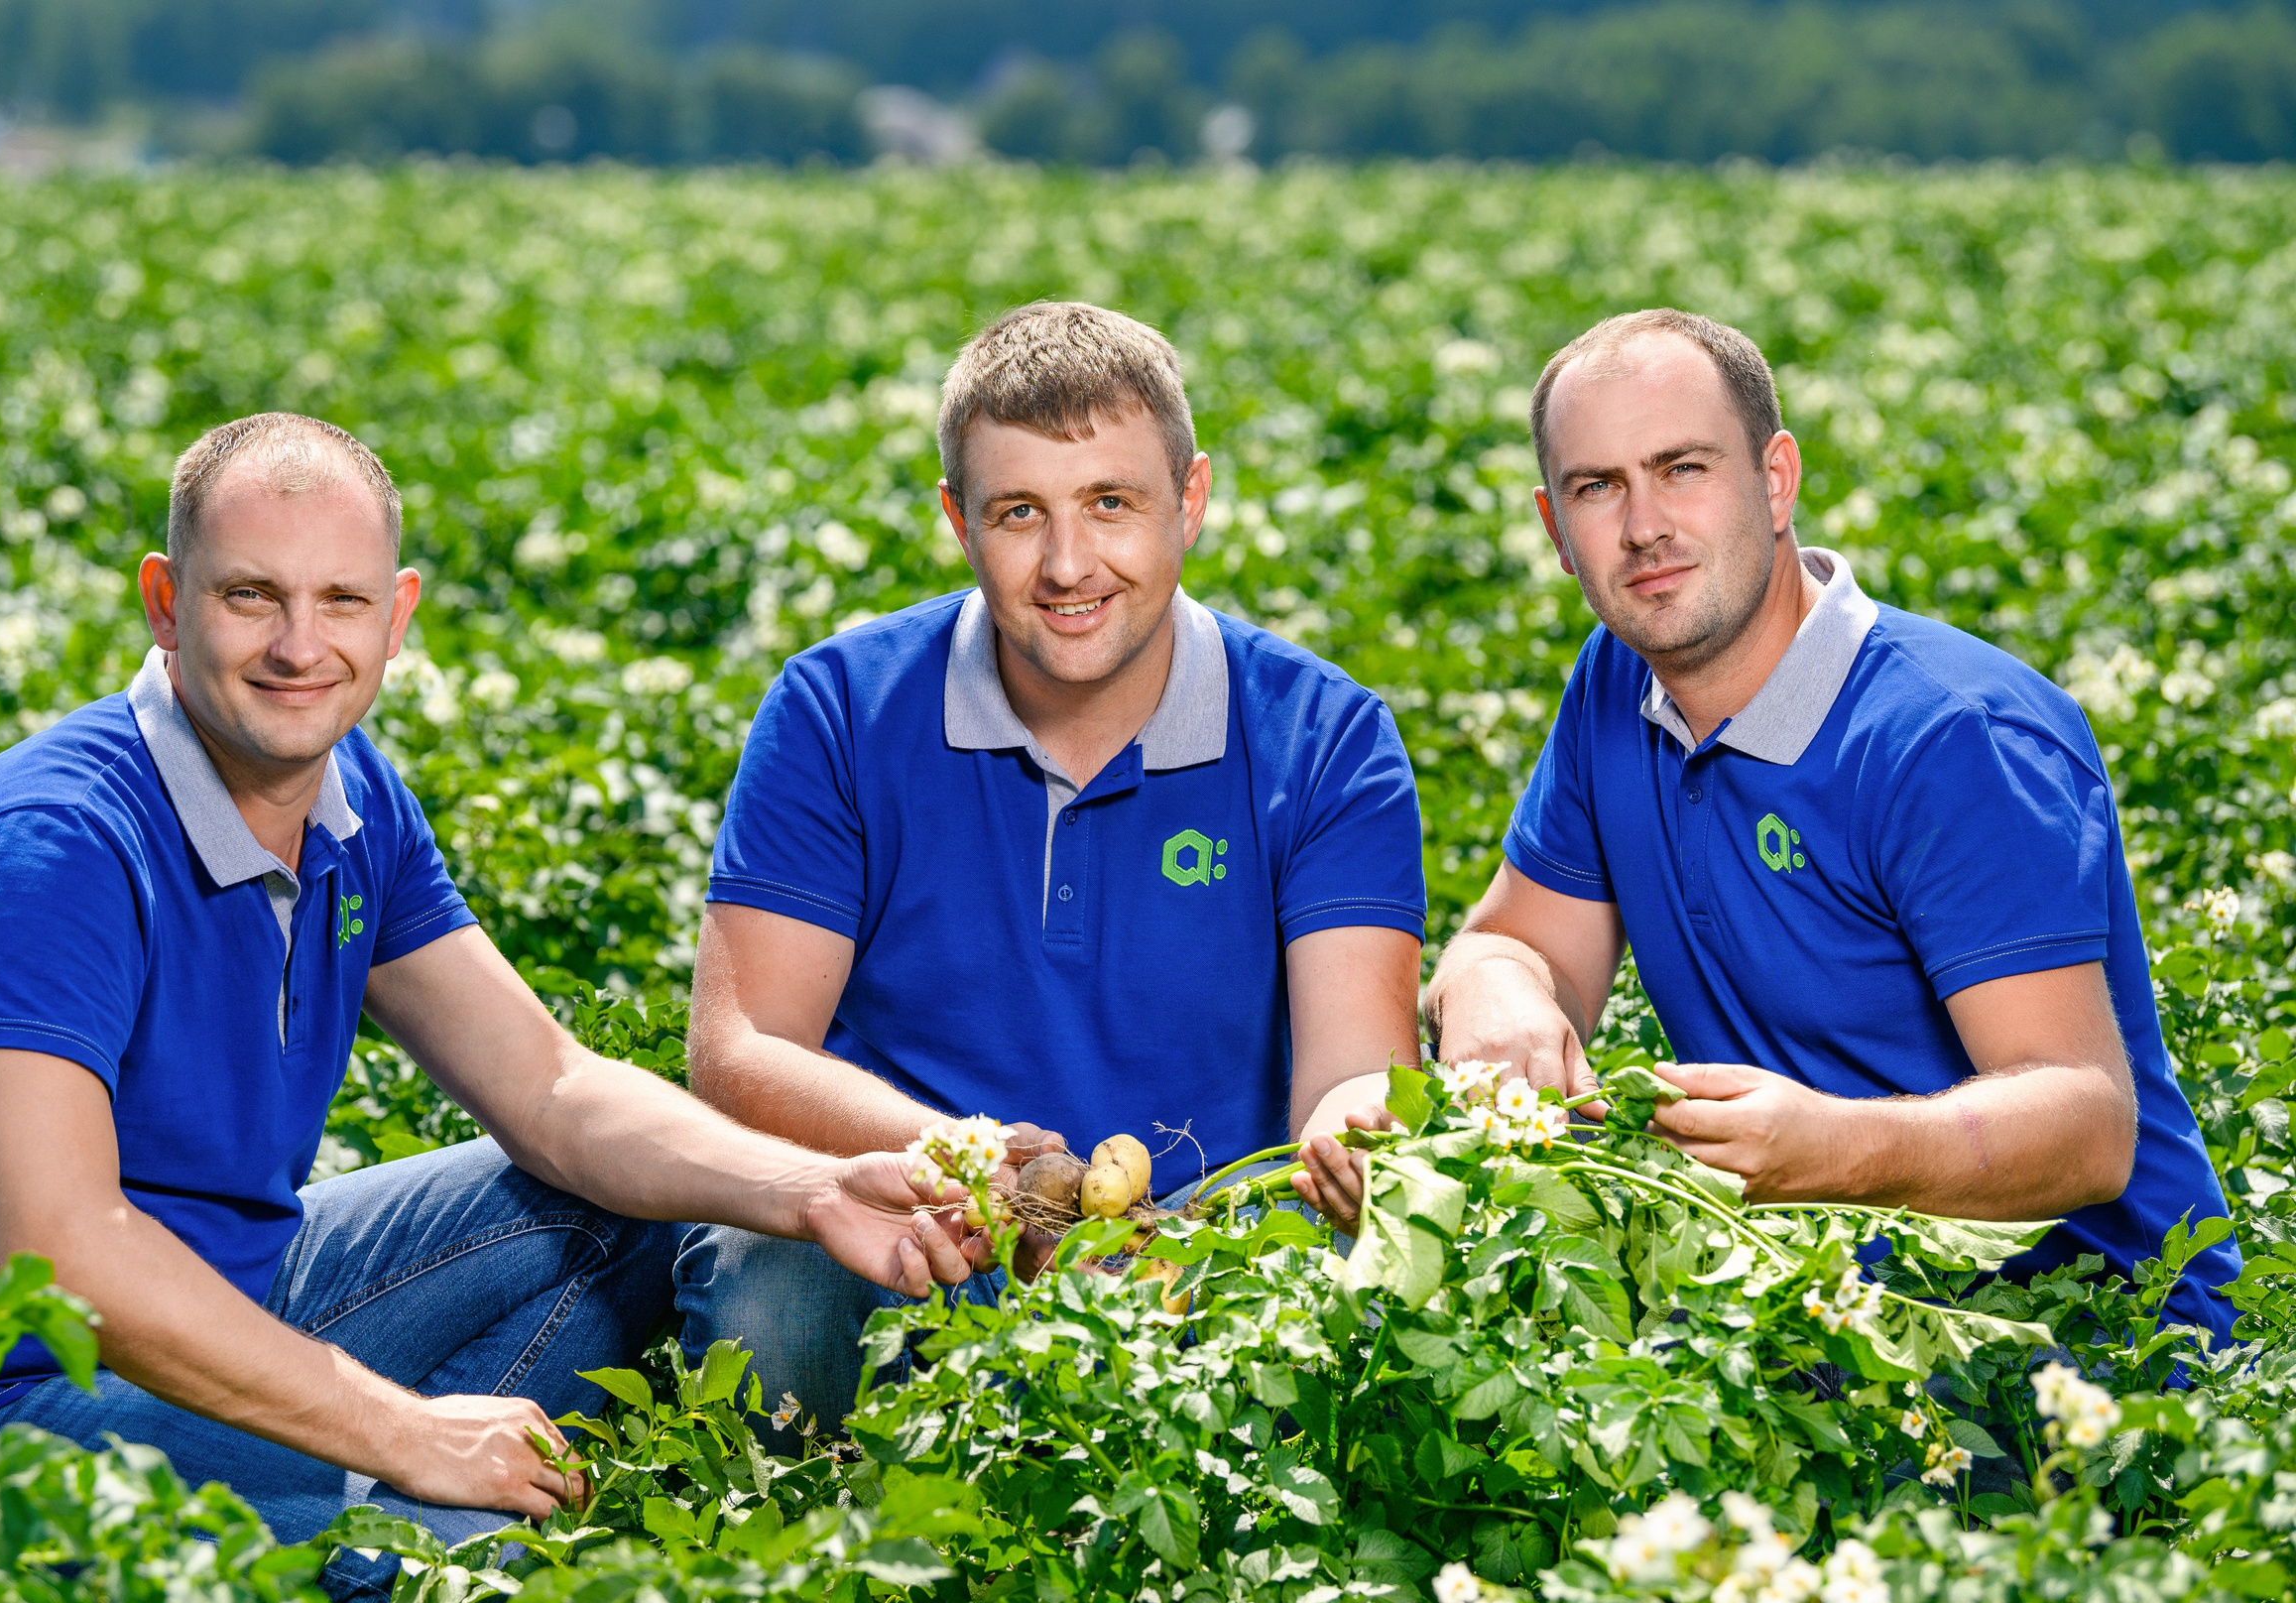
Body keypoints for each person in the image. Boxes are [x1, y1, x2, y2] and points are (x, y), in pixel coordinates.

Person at [0, 413, 978, 1603]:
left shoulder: (352, 799)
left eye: (341, 602)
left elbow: (552, 1088)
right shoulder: (52, 846)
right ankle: (427, 1511)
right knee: (455, 1570)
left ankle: (436, 1493)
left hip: (246, 1292)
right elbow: (70, 1249)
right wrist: (403, 1429)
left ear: (396, 617)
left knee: (628, 1189)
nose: (300, 645)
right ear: (164, 601)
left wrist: (809, 1183)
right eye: (252, 595)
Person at [1292, 308, 2239, 1342]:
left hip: (2084, 1347)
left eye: (1681, 467)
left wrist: (1823, 1147)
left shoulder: (1949, 735)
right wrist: (1495, 989)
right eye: (1595, 487)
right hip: (1808, 1324)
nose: (1642, 524)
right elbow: (1519, 937)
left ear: (1776, 479)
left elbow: (2089, 1128)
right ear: (1553, 529)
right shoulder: (1619, 680)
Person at [679, 302, 1429, 1444]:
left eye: (1112, 504)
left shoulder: (1323, 737)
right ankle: (817, 1579)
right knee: (772, 1287)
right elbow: (740, 1052)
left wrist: (1338, 1142)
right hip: (919, 1214)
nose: (1069, 564)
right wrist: (982, 1170)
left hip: (1211, 1249)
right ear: (956, 522)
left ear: (1192, 501)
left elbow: (1346, 1073)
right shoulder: (838, 707)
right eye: (1018, 512)